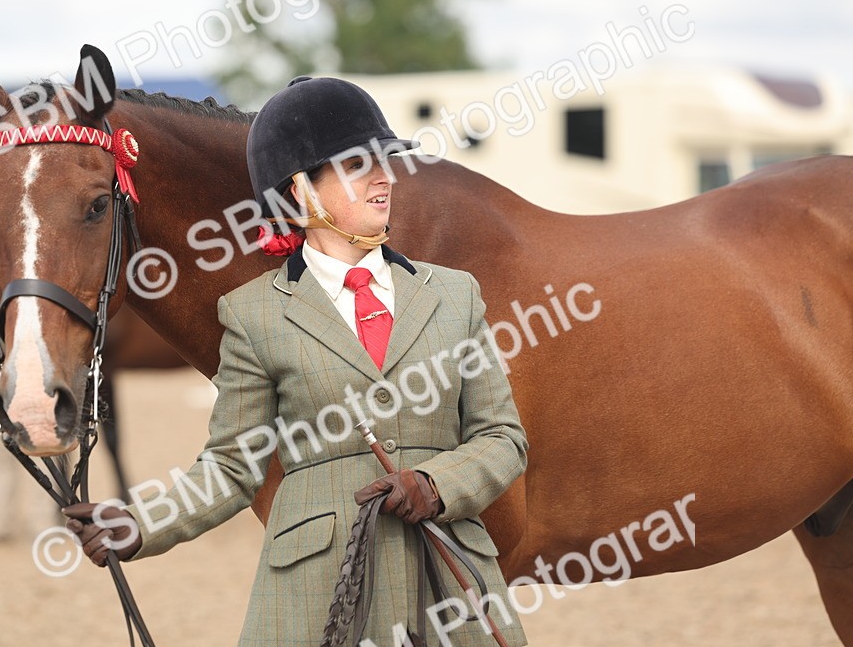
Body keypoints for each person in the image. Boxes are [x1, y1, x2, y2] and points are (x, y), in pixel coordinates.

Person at [65, 77, 529, 646]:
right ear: (300, 193)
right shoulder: (253, 315)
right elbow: (233, 467)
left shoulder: (456, 295)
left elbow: (503, 437)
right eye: (358, 166)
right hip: (318, 589)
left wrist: (438, 484)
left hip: (451, 584)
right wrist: (140, 523)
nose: (385, 178)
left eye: (384, 161)